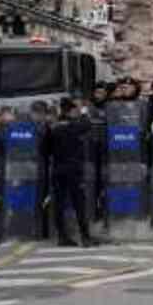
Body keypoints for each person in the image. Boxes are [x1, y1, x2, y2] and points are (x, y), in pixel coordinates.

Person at [48, 97, 97, 247]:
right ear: (70, 111)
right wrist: (84, 111)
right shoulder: (74, 125)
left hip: (57, 169)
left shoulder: (53, 127)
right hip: (74, 170)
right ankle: (85, 237)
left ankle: (62, 237)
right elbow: (87, 124)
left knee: (59, 204)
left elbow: (45, 149)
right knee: (79, 204)